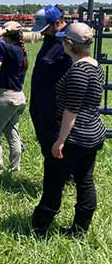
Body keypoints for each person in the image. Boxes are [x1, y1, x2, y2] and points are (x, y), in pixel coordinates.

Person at [31, 23, 106, 237]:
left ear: (70, 44)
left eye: (64, 40)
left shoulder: (78, 72)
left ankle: (40, 226)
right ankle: (80, 229)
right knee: (85, 181)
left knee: (54, 181)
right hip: (92, 133)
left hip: (74, 136)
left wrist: (60, 140)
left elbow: (71, 111)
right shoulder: (95, 65)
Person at [0, 21, 28, 171]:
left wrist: (4, 29)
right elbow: (3, 67)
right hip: (18, 97)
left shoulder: (11, 49)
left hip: (7, 97)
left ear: (8, 36)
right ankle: (15, 168)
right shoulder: (19, 51)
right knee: (12, 133)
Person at [29, 5, 71, 157]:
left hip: (55, 106)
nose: (43, 31)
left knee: (56, 144)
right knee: (46, 144)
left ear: (58, 22)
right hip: (41, 103)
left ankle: (65, 177)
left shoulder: (68, 40)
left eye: (46, 27)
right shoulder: (50, 38)